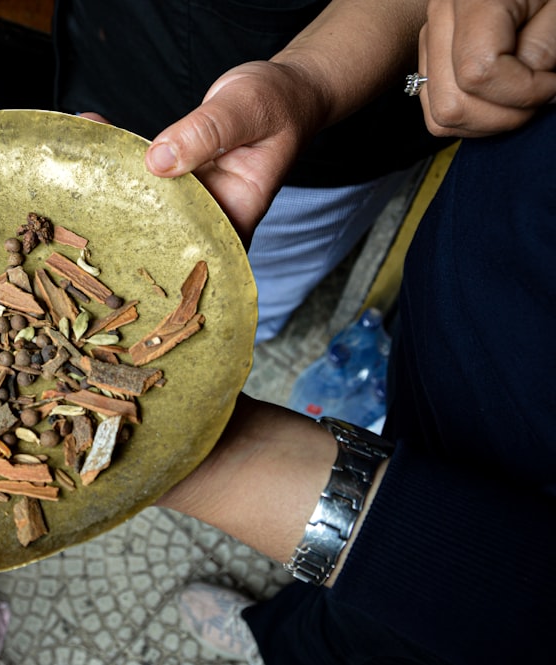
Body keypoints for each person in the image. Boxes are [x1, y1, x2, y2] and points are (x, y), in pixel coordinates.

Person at [133, 0, 556, 662]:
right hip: (456, 344)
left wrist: (233, 462)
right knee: (332, 594)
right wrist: (307, 81)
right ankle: (289, 621)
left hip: (484, 611)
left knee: (368, 640)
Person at [52, 0, 452, 342]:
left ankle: (260, 329)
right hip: (116, 46)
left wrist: (308, 82)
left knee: (257, 284)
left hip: (304, 129)